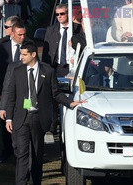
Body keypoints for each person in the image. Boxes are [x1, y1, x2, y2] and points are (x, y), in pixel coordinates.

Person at [5, 40, 83, 185]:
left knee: (36, 154)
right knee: (22, 153)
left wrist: (71, 103)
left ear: (33, 54)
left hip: (39, 118)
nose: (21, 57)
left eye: (24, 54)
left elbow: (56, 94)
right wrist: (8, 118)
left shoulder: (48, 72)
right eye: (21, 54)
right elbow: (11, 96)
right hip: (21, 118)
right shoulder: (17, 72)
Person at [0, 20, 26, 162]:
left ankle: (22, 149)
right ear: (12, 33)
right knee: (5, 118)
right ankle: (7, 150)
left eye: (24, 35)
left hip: (25, 93)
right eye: (19, 35)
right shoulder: (2, 49)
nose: (22, 38)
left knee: (26, 117)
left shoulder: (29, 48)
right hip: (5, 93)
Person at [42, 4, 81, 77]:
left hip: (73, 66)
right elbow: (46, 51)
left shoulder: (77, 29)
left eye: (62, 13)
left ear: (68, 13)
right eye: (57, 14)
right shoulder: (51, 30)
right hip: (57, 67)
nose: (59, 16)